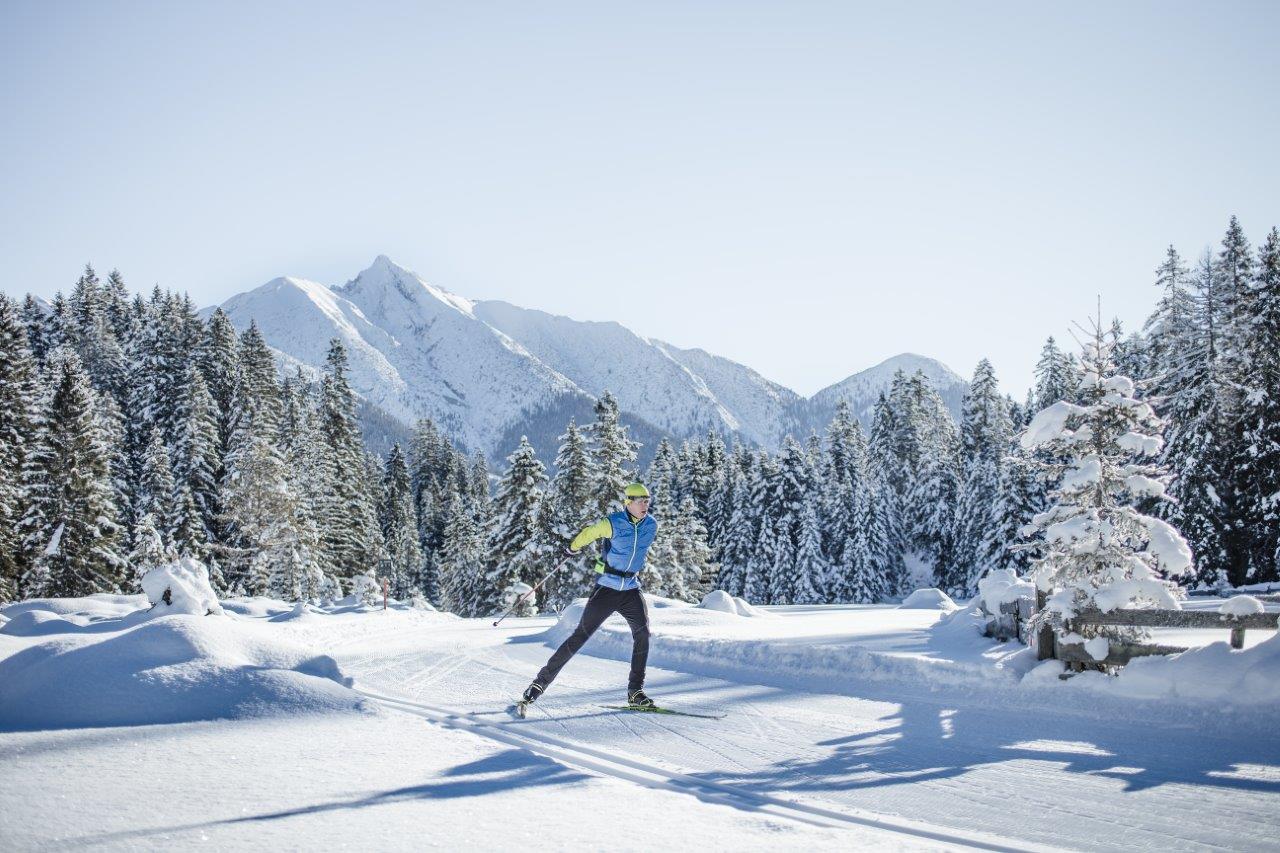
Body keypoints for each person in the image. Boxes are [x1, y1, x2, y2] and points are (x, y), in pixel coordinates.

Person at [522, 482, 659, 708]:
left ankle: (636, 692)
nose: (645, 504)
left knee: (643, 634)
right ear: (629, 502)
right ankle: (539, 684)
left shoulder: (651, 525)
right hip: (607, 589)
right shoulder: (613, 523)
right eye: (641, 501)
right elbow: (589, 533)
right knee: (580, 637)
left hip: (631, 589)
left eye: (647, 500)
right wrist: (572, 548)